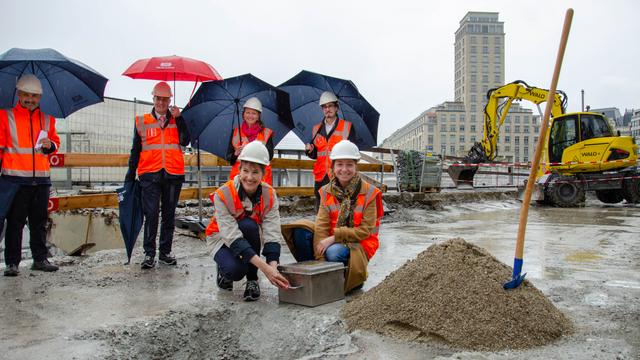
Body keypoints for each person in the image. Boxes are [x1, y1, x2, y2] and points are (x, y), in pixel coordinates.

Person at [206, 141, 290, 301]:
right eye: (245, 171)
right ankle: (224, 269)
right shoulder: (223, 194)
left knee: (249, 226)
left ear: (263, 174)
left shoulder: (269, 195)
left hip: (247, 232)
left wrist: (273, 266)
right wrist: (265, 268)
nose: (249, 177)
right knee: (236, 271)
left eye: (255, 172)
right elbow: (232, 236)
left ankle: (252, 280)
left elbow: (272, 231)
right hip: (220, 238)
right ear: (239, 170)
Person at [125, 81, 190, 269]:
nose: (161, 103)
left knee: (169, 215)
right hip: (149, 174)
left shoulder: (177, 119)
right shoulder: (142, 121)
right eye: (158, 99)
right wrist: (130, 175)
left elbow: (186, 140)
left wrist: (180, 118)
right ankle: (149, 253)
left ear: (170, 100)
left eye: (164, 99)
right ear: (153, 99)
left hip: (173, 174)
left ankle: (165, 252)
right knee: (151, 215)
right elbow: (135, 150)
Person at [0, 74, 60, 276]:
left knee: (39, 221)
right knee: (15, 223)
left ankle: (40, 259)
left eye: (34, 96)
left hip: (41, 179)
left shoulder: (47, 118)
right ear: (18, 94)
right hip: (15, 179)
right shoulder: (6, 116)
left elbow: (55, 143)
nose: (30, 99)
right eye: (26, 95)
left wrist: (50, 145)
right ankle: (12, 262)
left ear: (40, 97)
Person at [313, 140, 383, 293]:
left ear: (356, 166)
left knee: (333, 252)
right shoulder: (326, 191)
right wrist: (320, 260)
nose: (344, 169)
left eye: (349, 164)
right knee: (300, 231)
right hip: (335, 240)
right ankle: (325, 276)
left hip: (360, 243)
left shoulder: (370, 192)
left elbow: (365, 231)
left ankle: (353, 276)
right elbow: (321, 227)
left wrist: (333, 238)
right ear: (333, 167)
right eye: (340, 164)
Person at [304, 91, 357, 210]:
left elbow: (353, 152)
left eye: (330, 106)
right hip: (321, 176)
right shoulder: (316, 129)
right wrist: (309, 150)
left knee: (339, 208)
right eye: (324, 107)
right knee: (321, 210)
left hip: (339, 175)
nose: (327, 109)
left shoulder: (347, 127)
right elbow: (315, 154)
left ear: (336, 107)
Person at [226, 97, 274, 185]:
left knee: (260, 199)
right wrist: (235, 153)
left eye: (254, 113)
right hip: (239, 175)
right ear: (243, 114)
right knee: (238, 199)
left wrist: (251, 149)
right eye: (248, 112)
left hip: (260, 176)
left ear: (258, 116)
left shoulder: (266, 133)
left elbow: (269, 156)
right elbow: (230, 159)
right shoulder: (236, 132)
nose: (250, 116)